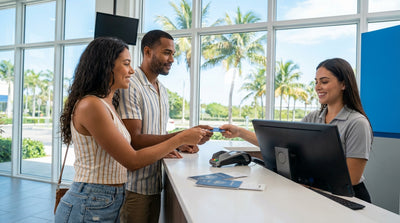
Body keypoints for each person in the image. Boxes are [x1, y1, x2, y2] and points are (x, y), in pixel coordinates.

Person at [55, 37, 206, 222]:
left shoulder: (107, 103)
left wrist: (173, 144)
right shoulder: (91, 106)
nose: (131, 70)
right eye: (126, 64)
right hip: (90, 202)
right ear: (106, 66)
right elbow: (132, 160)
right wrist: (180, 138)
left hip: (106, 200)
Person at [220, 58, 372, 203]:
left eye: (324, 82)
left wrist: (305, 178)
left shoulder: (357, 123)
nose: (318, 87)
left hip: (348, 197)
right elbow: (278, 146)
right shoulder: (312, 118)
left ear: (343, 84)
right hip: (317, 191)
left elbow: (352, 177)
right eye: (316, 82)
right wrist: (239, 132)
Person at [117, 30, 213, 223]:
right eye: (166, 53)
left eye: (173, 54)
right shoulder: (131, 86)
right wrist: (182, 136)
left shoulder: (163, 91)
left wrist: (178, 144)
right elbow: (134, 139)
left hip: (155, 183)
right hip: (134, 187)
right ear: (147, 51)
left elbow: (157, 134)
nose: (172, 59)